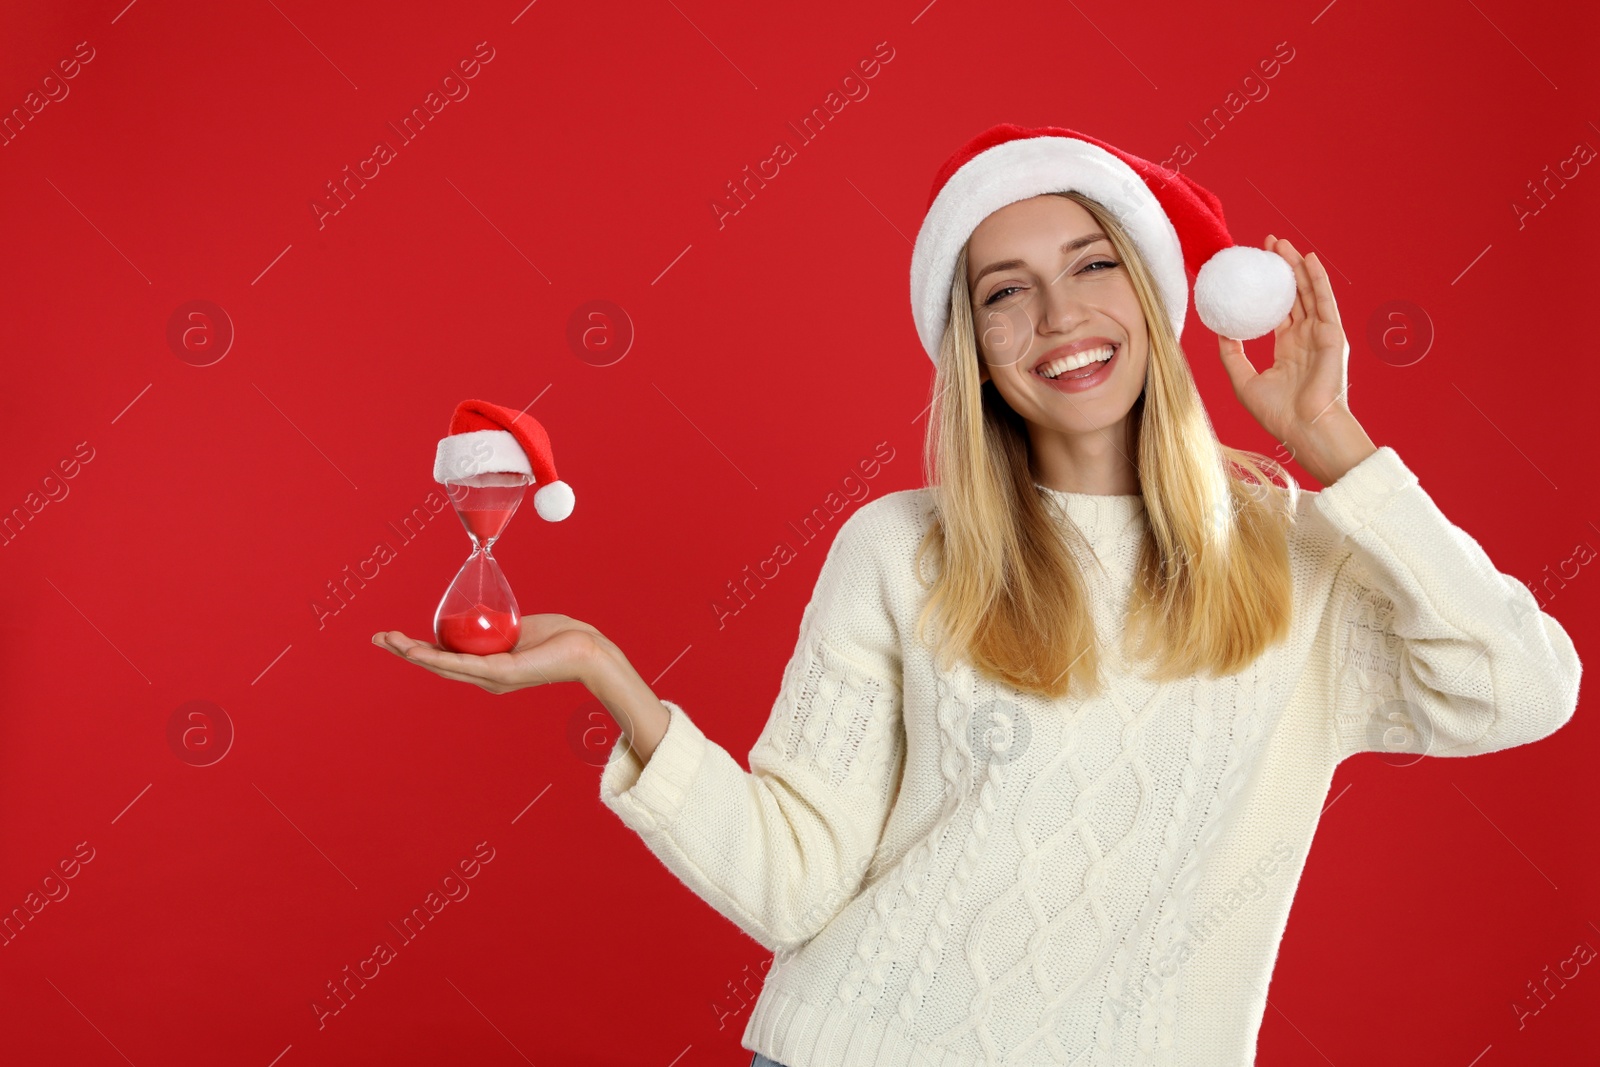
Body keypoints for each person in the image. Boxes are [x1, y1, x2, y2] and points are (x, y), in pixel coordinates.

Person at [372, 124, 1583, 1066]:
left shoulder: (1296, 555)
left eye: (1092, 266)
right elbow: (792, 882)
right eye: (1005, 290)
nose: (1059, 317)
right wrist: (609, 674)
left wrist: (1336, 448)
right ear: (972, 342)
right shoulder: (898, 550)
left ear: (1158, 305)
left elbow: (1522, 689)